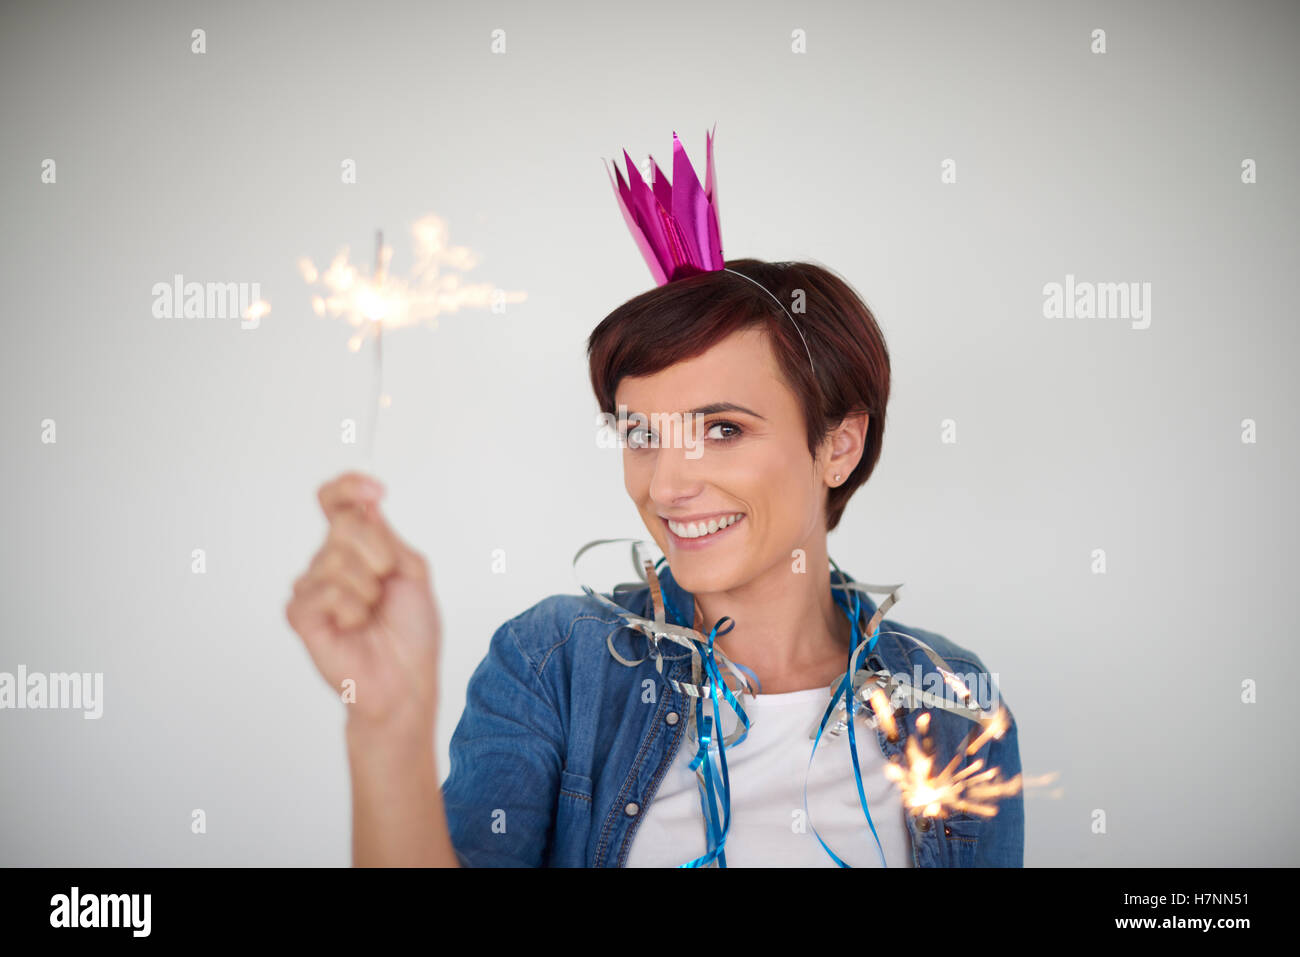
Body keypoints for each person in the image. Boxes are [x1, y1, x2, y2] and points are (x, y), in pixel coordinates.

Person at [284, 133, 1024, 868]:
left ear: (839, 444)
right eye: (641, 435)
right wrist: (387, 727)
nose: (665, 486)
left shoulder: (956, 703)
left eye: (723, 428)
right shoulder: (555, 663)